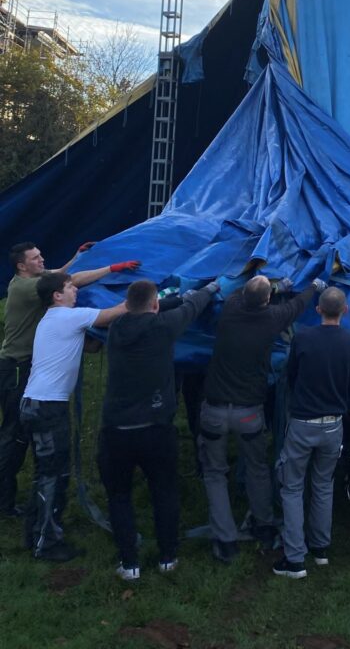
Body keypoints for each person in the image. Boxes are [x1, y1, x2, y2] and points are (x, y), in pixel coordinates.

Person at [0, 242, 138, 518]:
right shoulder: (26, 288)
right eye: (35, 258)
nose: (42, 259)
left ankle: (36, 498)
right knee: (14, 437)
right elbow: (69, 281)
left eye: (41, 255)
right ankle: (5, 501)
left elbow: (60, 275)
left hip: (31, 366)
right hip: (16, 368)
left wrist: (77, 256)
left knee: (30, 438)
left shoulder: (38, 281)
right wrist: (112, 269)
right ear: (21, 266)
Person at [98, 279, 219, 580]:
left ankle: (129, 563)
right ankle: (168, 556)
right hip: (156, 428)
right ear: (154, 306)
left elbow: (146, 308)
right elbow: (193, 307)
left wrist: (170, 299)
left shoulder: (116, 330)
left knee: (119, 496)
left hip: (116, 429)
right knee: (164, 491)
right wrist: (211, 288)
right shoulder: (163, 327)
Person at [199, 274, 326, 563]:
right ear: (268, 300)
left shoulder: (230, 308)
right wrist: (313, 287)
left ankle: (226, 541)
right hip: (249, 412)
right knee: (258, 467)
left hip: (215, 409)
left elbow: (247, 292)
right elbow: (299, 305)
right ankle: (264, 526)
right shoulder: (272, 318)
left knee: (215, 473)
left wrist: (275, 285)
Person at [20, 272, 127, 561]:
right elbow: (118, 311)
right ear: (57, 295)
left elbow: (89, 346)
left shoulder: (54, 319)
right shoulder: (68, 316)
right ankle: (48, 545)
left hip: (36, 404)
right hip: (47, 407)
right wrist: (152, 295)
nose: (75, 290)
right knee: (54, 476)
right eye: (70, 287)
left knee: (45, 473)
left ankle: (34, 533)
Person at [273, 287, 350, 579]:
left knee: (293, 487)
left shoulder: (304, 338)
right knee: (323, 485)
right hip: (333, 424)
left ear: (318, 309)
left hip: (302, 423)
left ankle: (295, 558)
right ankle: (320, 548)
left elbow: (291, 375)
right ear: (345, 311)